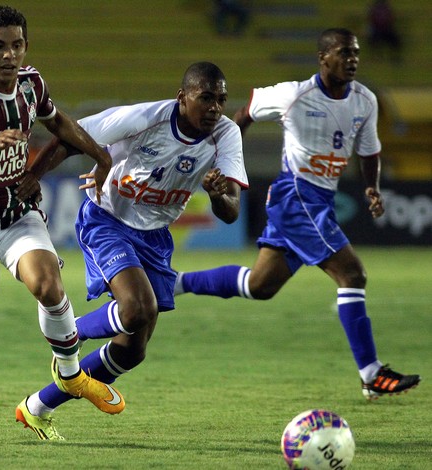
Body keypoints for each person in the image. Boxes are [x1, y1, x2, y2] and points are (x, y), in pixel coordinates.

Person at [175, 28, 420, 401]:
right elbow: (244, 113)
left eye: (355, 53)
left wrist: (371, 186)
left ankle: (172, 283)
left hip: (318, 199)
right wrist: (223, 157)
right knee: (352, 274)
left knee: (260, 286)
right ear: (323, 58)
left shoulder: (365, 101)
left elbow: (369, 150)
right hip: (297, 196)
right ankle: (371, 374)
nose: (352, 59)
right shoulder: (293, 94)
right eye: (343, 53)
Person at [13, 61, 248, 440]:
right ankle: (69, 338)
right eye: (206, 98)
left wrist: (219, 192)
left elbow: (232, 211)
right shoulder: (146, 118)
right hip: (107, 220)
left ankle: (37, 406)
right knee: (138, 308)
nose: (215, 108)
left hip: (155, 235)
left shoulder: (226, 134)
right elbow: (72, 135)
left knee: (132, 350)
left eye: (221, 100)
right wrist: (32, 178)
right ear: (182, 98)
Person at [0, 5, 125, 445]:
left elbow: (59, 123)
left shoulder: (32, 84)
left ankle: (71, 375)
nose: (9, 55)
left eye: (17, 45)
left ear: (26, 47)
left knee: (49, 284)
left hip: (16, 214)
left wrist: (101, 154)